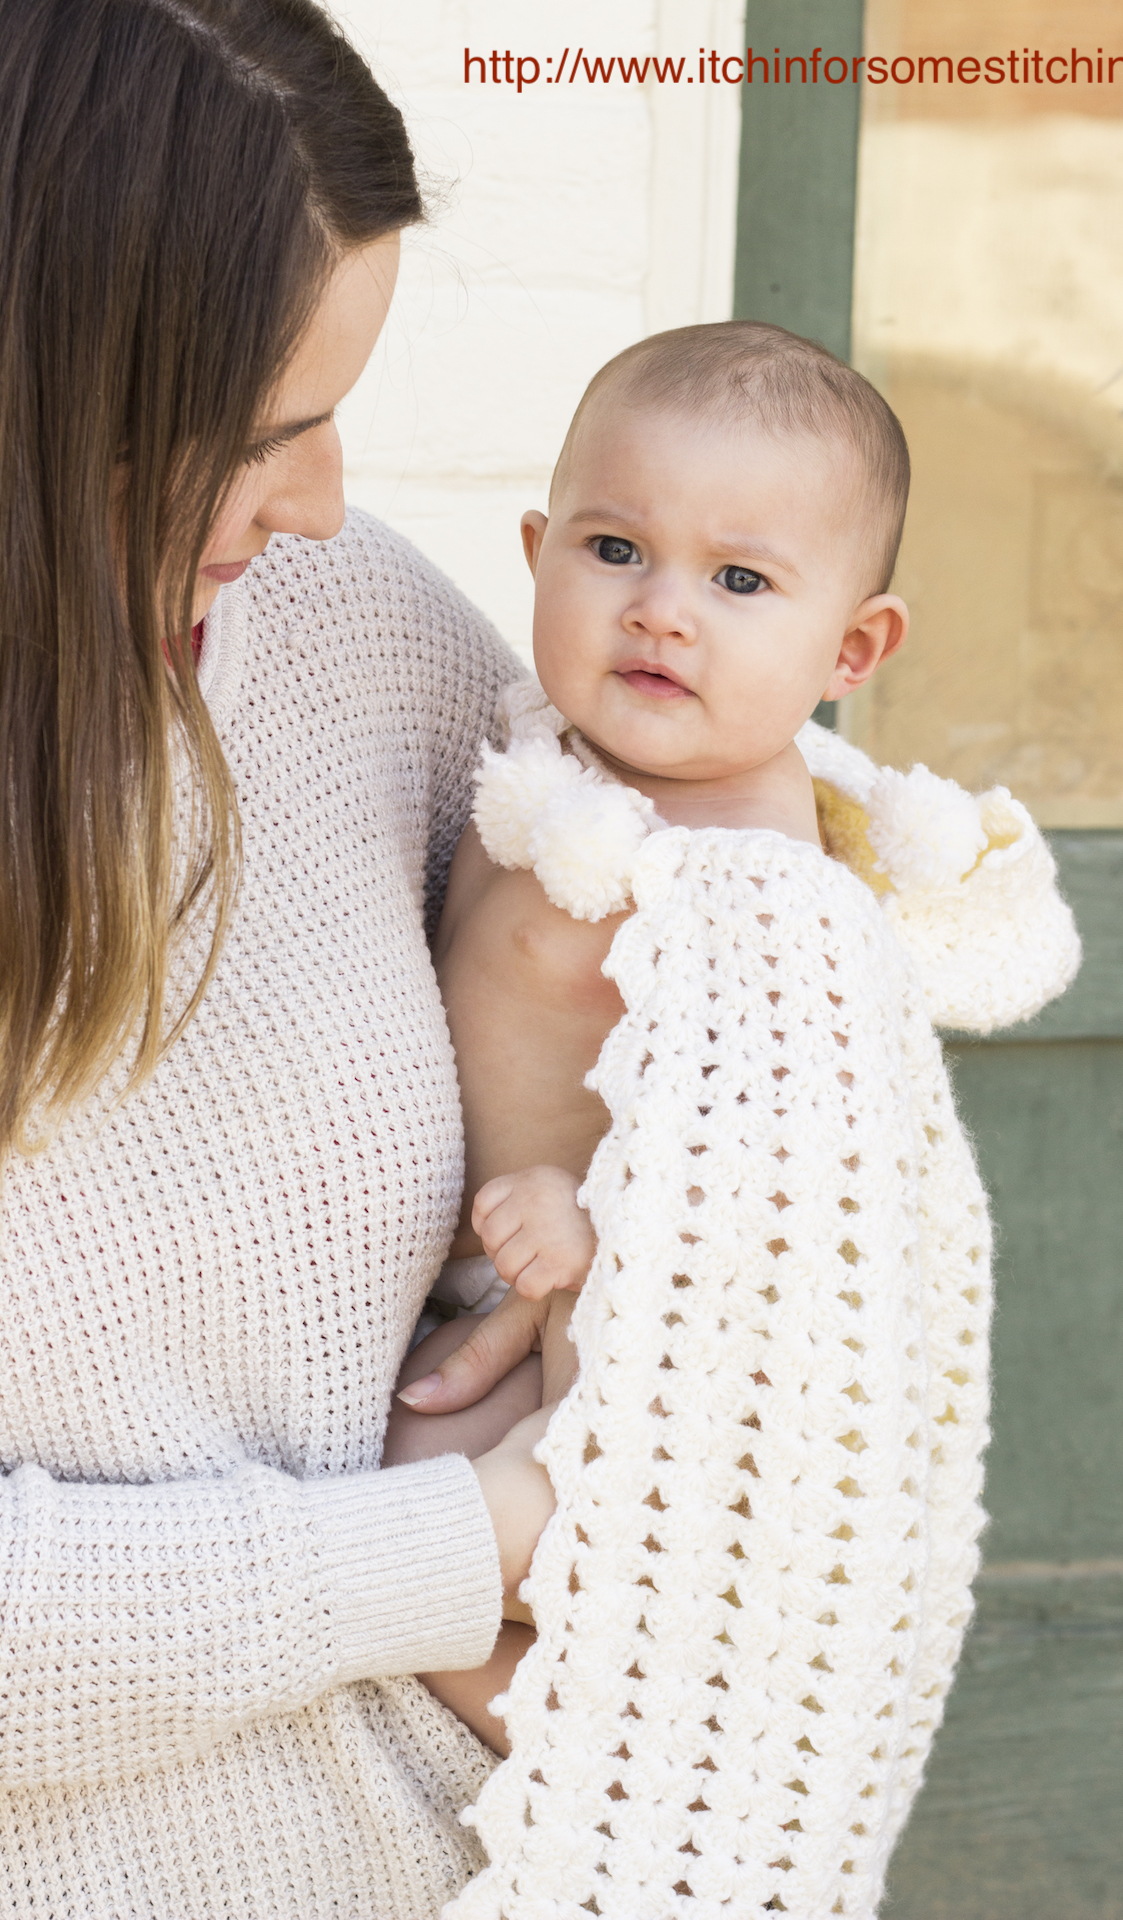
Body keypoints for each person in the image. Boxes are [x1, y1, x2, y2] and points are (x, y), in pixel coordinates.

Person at [0, 2, 579, 1912]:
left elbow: (706, 976)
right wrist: (467, 1541)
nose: (326, 501)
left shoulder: (354, 640)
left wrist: (576, 1261)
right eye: (259, 435)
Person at [384, 321, 911, 1738]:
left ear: (851, 645)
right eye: (615, 551)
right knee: (404, 1467)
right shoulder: (528, 748)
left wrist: (593, 1217)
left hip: (613, 1320)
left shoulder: (756, 879)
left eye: (739, 580)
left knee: (452, 1507)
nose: (663, 610)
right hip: (489, 1289)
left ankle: (580, 1780)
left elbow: (774, 1179)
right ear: (538, 550)